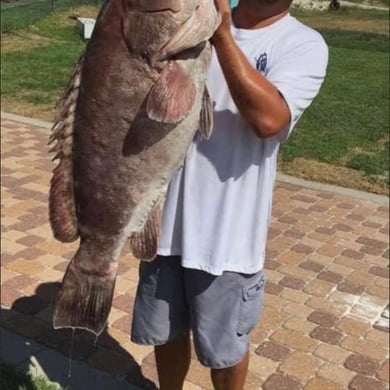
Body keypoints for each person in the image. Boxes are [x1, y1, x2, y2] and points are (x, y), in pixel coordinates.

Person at [131, 0, 328, 389]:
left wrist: (221, 34)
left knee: (224, 350)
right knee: (166, 332)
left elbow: (268, 120)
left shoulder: (304, 44)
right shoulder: (188, 24)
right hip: (165, 221)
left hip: (228, 236)